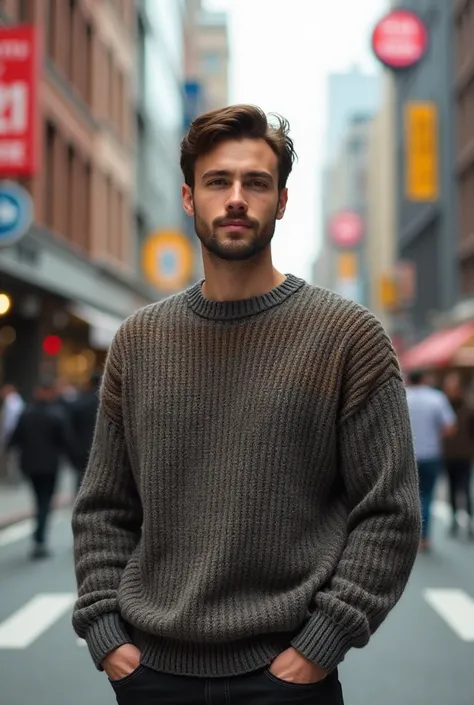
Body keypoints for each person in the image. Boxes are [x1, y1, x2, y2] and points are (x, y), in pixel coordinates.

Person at [72, 105, 421, 704]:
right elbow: (104, 507)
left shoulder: (347, 336)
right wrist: (108, 636)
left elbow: (389, 511)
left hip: (286, 676)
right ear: (188, 198)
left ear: (281, 201)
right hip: (151, 674)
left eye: (256, 183)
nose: (237, 198)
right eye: (218, 182)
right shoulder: (138, 340)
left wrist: (321, 644)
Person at [8, 377, 75, 559]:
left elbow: (13, 439)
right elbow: (66, 442)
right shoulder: (57, 414)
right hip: (50, 466)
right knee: (45, 501)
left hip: (30, 465)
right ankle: (40, 539)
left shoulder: (26, 414)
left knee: (39, 500)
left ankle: (39, 538)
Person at [406, 369, 456, 552]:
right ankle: (424, 537)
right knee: (427, 495)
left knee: (408, 496)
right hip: (431, 454)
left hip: (408, 456)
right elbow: (449, 427)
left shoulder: (403, 397)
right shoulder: (436, 398)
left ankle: (409, 536)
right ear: (425, 379)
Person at [442, 371, 474, 539]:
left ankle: (468, 522)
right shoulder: (443, 405)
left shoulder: (468, 408)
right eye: (448, 387)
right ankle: (454, 520)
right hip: (448, 455)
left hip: (464, 455)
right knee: (452, 488)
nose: (450, 390)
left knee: (465, 489)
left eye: (453, 387)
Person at [69, 372, 101, 493]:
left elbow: (72, 426)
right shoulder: (105, 402)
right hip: (100, 446)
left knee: (81, 477)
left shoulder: (80, 402)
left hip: (82, 446)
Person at [0, 384, 25, 481]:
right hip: (14, 433)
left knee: (12, 457)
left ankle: (12, 477)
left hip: (11, 434)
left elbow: (9, 422)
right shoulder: (17, 401)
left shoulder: (11, 402)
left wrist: (6, 435)